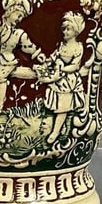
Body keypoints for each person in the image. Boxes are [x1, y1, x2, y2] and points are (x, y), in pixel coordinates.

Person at [39, 11, 88, 143]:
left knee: (63, 108)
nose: (65, 32)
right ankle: (57, 128)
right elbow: (54, 57)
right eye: (64, 29)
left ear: (76, 31)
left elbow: (74, 66)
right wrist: (46, 63)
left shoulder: (78, 47)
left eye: (68, 29)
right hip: (57, 81)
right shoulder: (61, 45)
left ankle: (55, 133)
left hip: (68, 82)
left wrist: (61, 69)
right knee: (56, 106)